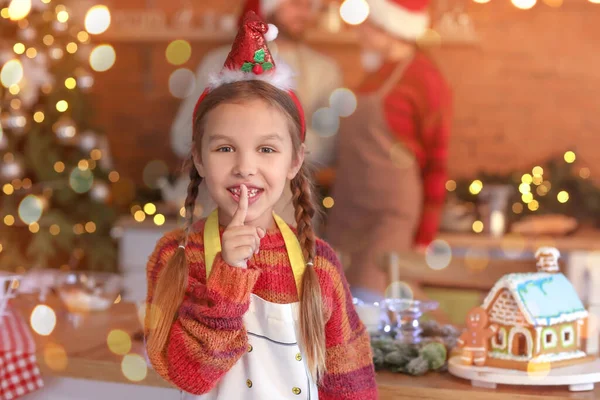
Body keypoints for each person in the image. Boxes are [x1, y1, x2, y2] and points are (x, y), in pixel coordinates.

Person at [145, 12, 377, 400]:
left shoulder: (319, 265)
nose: (245, 168)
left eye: (266, 149)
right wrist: (228, 277)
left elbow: (349, 380)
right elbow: (189, 375)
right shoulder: (175, 258)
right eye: (224, 148)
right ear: (199, 159)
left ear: (294, 161)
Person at [170, 0, 343, 226]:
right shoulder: (216, 63)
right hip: (216, 211)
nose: (305, 13)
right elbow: (181, 137)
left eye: (311, 6)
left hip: (291, 213)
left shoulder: (325, 70)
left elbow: (329, 147)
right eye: (296, 4)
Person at [326, 0, 453, 302]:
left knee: (370, 300)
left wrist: (424, 235)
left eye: (368, 23)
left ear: (390, 28)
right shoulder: (375, 75)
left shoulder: (425, 78)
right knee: (334, 302)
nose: (360, 31)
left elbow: (437, 160)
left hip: (390, 215)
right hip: (347, 211)